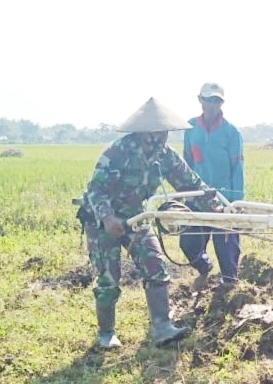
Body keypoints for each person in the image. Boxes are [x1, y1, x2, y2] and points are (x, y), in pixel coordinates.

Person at [77, 97, 223, 349]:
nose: (163, 137)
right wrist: (108, 217)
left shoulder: (164, 156)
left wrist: (210, 202)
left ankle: (162, 326)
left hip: (136, 217)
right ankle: (106, 333)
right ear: (145, 133)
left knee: (155, 264)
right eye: (159, 133)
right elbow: (96, 190)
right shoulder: (116, 153)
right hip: (102, 221)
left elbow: (189, 183)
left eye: (165, 132)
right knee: (108, 279)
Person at [180, 82, 245, 289]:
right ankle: (204, 268)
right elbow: (186, 164)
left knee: (226, 246)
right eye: (208, 100)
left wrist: (237, 200)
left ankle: (230, 284)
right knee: (189, 243)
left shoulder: (231, 132)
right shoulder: (190, 129)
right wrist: (184, 193)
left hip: (224, 198)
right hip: (197, 196)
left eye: (216, 100)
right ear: (200, 100)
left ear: (221, 103)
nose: (212, 104)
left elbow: (238, 167)